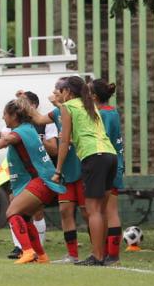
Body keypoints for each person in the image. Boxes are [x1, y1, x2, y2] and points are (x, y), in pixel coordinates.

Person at [0, 94, 63, 264]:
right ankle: (41, 255)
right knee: (25, 217)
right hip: (45, 181)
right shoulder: (28, 128)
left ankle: (27, 251)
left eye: (4, 114)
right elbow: (6, 137)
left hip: (40, 181)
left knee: (12, 213)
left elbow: (9, 139)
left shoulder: (20, 131)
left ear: (13, 116)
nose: (2, 117)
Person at [49, 75, 117, 266]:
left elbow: (63, 141)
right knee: (101, 211)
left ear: (68, 92)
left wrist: (58, 170)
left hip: (93, 156)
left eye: (60, 91)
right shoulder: (91, 105)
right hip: (110, 155)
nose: (58, 94)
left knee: (93, 210)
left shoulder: (68, 107)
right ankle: (101, 255)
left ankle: (96, 256)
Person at [42, 87, 85, 263]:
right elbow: (38, 119)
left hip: (82, 168)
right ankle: (72, 255)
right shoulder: (56, 111)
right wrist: (26, 105)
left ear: (68, 92)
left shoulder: (80, 109)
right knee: (65, 211)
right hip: (66, 172)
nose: (53, 91)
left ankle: (100, 253)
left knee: (88, 213)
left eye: (58, 89)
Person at [91, 79, 126, 265]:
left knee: (109, 211)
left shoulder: (102, 115)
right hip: (116, 162)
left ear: (94, 96)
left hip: (107, 163)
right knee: (106, 210)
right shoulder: (112, 111)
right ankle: (107, 254)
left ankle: (112, 256)